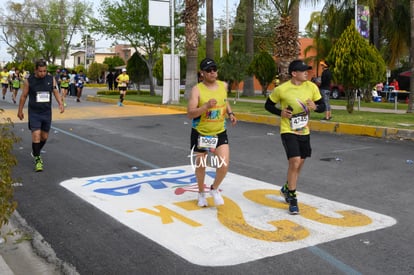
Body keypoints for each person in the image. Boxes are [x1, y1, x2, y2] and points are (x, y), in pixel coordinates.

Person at [264, 59, 325, 215]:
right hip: (288, 129)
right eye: (303, 70)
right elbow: (268, 105)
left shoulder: (311, 87)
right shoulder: (282, 89)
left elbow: (323, 106)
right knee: (295, 160)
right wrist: (281, 113)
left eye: (307, 70)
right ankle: (292, 198)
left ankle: (286, 188)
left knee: (300, 163)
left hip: (304, 131)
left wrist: (316, 107)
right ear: (294, 73)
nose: (307, 73)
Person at [187, 58, 237, 207]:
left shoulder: (223, 85)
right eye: (208, 70)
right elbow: (190, 113)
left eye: (214, 69)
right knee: (201, 165)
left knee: (224, 164)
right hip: (201, 133)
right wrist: (206, 107)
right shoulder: (197, 89)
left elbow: (224, 100)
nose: (212, 72)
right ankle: (201, 193)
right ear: (202, 73)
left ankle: (214, 189)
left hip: (219, 132)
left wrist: (231, 113)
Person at [17, 60, 64, 172]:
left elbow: (55, 91)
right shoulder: (29, 81)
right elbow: (23, 96)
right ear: (35, 70)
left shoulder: (50, 79)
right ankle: (38, 159)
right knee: (36, 135)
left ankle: (35, 151)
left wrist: (60, 103)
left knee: (44, 137)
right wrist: (20, 111)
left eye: (44, 71)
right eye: (40, 71)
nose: (43, 73)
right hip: (34, 113)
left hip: (46, 112)